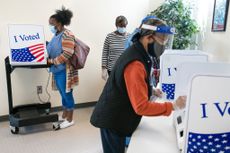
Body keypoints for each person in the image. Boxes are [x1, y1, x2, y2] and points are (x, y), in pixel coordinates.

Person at [90, 17, 186, 153]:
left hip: (117, 116)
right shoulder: (136, 63)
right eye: (162, 39)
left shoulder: (138, 52)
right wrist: (173, 106)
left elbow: (132, 83)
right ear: (148, 38)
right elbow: (141, 107)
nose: (163, 45)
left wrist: (150, 90)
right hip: (112, 120)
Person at [47, 7, 78, 129]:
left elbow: (67, 53)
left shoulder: (67, 34)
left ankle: (70, 119)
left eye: (51, 23)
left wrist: (52, 61)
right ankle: (65, 115)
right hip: (57, 70)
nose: (50, 25)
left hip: (65, 70)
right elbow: (52, 48)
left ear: (59, 23)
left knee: (67, 94)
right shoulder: (56, 35)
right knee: (62, 94)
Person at [101, 15, 129, 80]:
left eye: (124, 26)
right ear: (116, 25)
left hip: (125, 68)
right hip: (112, 69)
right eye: (120, 26)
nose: (122, 28)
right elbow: (105, 53)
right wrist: (103, 69)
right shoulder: (109, 37)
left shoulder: (129, 37)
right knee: (113, 89)